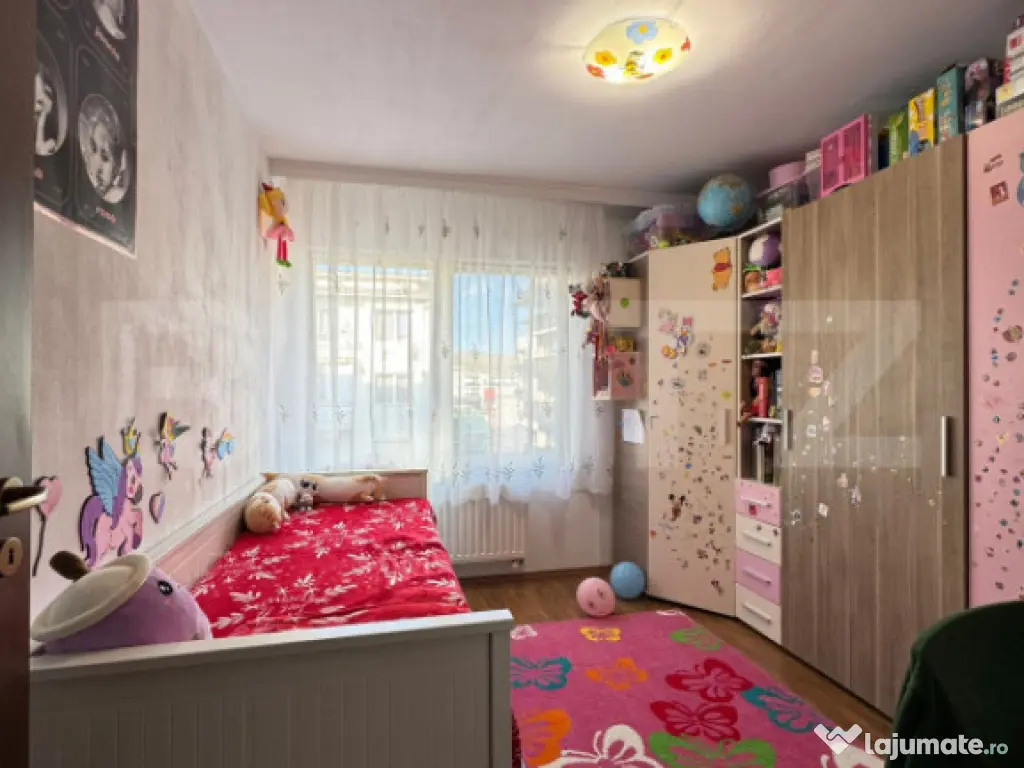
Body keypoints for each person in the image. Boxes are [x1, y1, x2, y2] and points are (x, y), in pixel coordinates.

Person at [78, 98, 128, 203]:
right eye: (93, 148)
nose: (97, 165)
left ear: (118, 164)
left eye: (105, 157)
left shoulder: (116, 194)